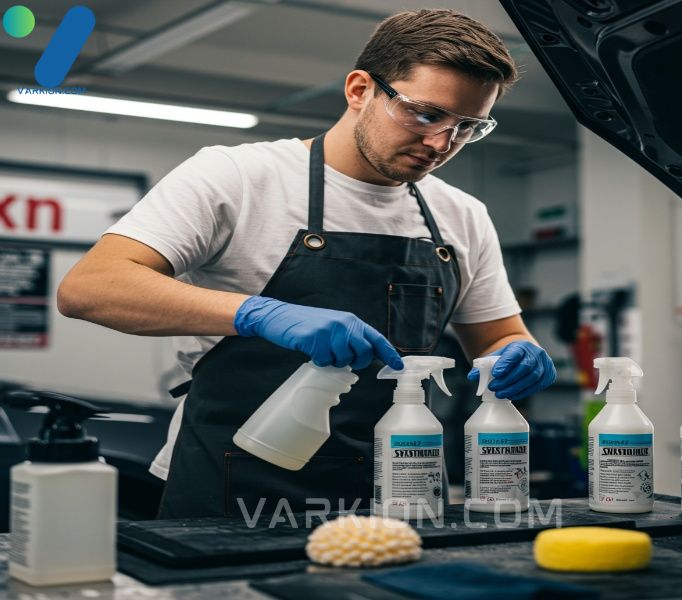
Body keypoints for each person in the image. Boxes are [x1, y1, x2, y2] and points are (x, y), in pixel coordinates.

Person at [57, 8, 557, 518]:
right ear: (360, 89)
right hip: (232, 483)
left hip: (395, 488)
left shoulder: (462, 215)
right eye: (426, 114)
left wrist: (520, 354)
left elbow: (498, 336)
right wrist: (260, 314)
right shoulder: (239, 176)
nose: (441, 144)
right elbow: (91, 287)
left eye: (468, 127)